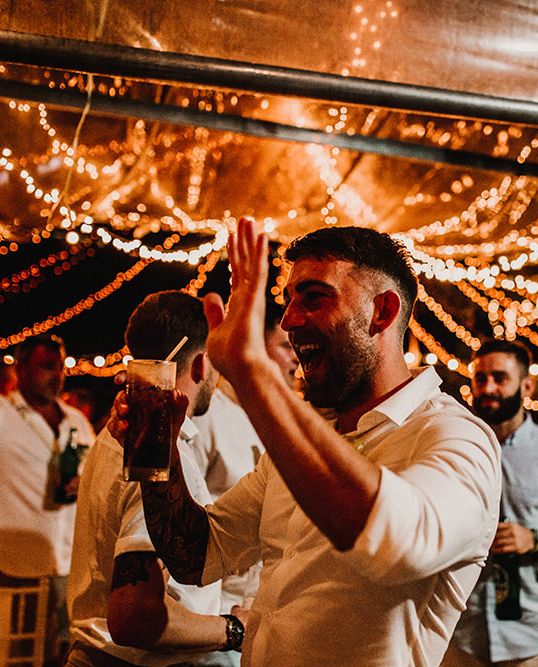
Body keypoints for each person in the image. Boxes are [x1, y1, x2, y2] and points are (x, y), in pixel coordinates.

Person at [111, 220, 502, 666]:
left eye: (314, 298)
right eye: (287, 301)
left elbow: (394, 544)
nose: (289, 320)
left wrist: (253, 373)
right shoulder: (309, 434)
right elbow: (195, 554)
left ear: (383, 312)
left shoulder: (456, 436)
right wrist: (161, 451)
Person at [66, 291, 246, 667]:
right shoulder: (150, 450)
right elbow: (136, 618)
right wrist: (234, 628)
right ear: (201, 364)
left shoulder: (122, 434)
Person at [446, 339, 538, 666]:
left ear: (526, 386)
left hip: (530, 636)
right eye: (480, 379)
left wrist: (535, 539)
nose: (487, 388)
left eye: (500, 378)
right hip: (459, 629)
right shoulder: (452, 446)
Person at [192, 300, 298, 614]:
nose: (295, 356)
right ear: (255, 349)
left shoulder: (281, 419)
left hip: (259, 608)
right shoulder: (207, 414)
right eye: (284, 346)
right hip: (213, 610)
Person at [0, 334, 95, 664]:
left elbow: (96, 474)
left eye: (60, 368)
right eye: (46, 367)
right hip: (14, 566)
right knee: (17, 656)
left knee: (65, 656)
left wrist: (85, 482)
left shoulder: (77, 421)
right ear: (22, 369)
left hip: (71, 564)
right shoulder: (2, 417)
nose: (57, 376)